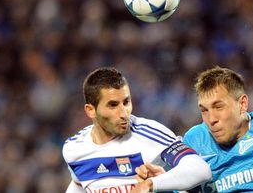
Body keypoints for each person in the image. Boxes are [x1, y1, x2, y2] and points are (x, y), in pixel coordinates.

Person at [62, 67, 211, 193]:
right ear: (90, 111)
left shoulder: (147, 133)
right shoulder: (74, 149)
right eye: (113, 105)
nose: (123, 113)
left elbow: (200, 169)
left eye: (126, 102)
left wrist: (151, 184)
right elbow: (78, 185)